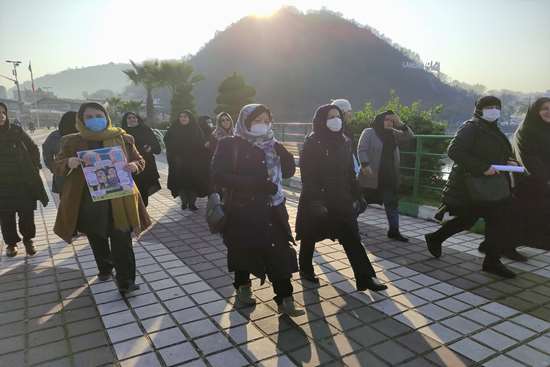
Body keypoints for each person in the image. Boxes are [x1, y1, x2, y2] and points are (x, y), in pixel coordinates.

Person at [211, 103, 304, 317]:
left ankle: (285, 299)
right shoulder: (229, 145)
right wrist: (256, 184)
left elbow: (288, 173)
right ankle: (243, 287)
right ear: (245, 122)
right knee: (243, 250)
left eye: (266, 121)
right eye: (257, 121)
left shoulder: (273, 143)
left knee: (279, 251)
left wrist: (286, 155)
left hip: (274, 208)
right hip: (243, 210)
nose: (262, 125)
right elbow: (218, 175)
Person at [53, 102, 151, 293]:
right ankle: (105, 267)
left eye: (98, 115)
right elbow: (56, 164)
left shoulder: (123, 137)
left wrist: (134, 166)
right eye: (89, 117)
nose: (95, 120)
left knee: (122, 239)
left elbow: (140, 160)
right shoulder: (71, 141)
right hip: (88, 200)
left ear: (106, 116)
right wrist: (68, 162)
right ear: (80, 120)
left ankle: (126, 282)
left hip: (119, 198)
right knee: (96, 236)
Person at [295, 104, 387, 291]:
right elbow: (308, 175)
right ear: (321, 120)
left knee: (352, 237)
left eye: (338, 116)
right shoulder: (312, 142)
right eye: (330, 117)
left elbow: (349, 172)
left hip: (341, 198)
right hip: (318, 199)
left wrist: (358, 195)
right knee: (309, 236)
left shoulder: (345, 140)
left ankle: (366, 277)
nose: (336, 120)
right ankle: (305, 268)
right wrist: (315, 201)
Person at [425, 96, 516, 278]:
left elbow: (494, 153)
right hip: (471, 187)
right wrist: (482, 168)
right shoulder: (471, 127)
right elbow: (454, 151)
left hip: (490, 187)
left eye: (496, 107)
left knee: (496, 221)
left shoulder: (494, 130)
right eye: (488, 107)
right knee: (467, 220)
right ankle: (435, 238)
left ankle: (491, 261)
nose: (493, 110)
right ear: (479, 109)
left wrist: (507, 161)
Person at [357, 110, 414, 242]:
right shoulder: (369, 132)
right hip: (371, 176)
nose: (389, 122)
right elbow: (362, 149)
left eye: (392, 121)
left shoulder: (394, 133)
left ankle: (394, 231)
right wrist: (365, 165)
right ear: (380, 120)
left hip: (389, 176)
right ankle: (345, 224)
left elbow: (410, 136)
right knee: (361, 203)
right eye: (387, 120)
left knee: (392, 204)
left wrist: (400, 123)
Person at [0, 102, 48, 257]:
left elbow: (33, 148)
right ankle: (11, 244)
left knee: (26, 213)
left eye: (2, 112)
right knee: (6, 216)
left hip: (23, 182)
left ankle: (28, 240)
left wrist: (35, 166)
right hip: (2, 185)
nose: (1, 115)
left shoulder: (16, 131)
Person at [511, 97, 550, 250]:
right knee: (527, 218)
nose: (548, 112)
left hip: (543, 183)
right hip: (529, 183)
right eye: (544, 108)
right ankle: (498, 248)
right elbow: (528, 158)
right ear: (535, 111)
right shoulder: (526, 130)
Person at [164, 110, 210, 211]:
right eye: (181, 116)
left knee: (193, 183)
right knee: (181, 184)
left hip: (193, 162)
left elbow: (201, 144)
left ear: (190, 118)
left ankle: (192, 203)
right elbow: (167, 141)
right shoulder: (173, 129)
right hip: (178, 162)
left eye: (185, 116)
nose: (183, 118)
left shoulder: (196, 129)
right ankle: (184, 202)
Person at [121, 112, 161, 207]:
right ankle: (135, 209)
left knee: (144, 187)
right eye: (129, 118)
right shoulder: (122, 132)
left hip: (145, 164)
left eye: (134, 117)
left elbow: (156, 146)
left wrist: (150, 148)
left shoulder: (145, 130)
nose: (132, 119)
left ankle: (143, 209)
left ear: (137, 119)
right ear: (125, 120)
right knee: (132, 189)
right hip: (128, 165)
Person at [43, 111, 78, 194]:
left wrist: (55, 168)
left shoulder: (54, 136)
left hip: (62, 177)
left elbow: (47, 157)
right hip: (66, 177)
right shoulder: (82, 135)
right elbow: (48, 157)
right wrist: (56, 168)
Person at [331, 99, 361, 176]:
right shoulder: (341, 131)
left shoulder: (345, 129)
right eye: (349, 111)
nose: (351, 114)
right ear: (342, 113)